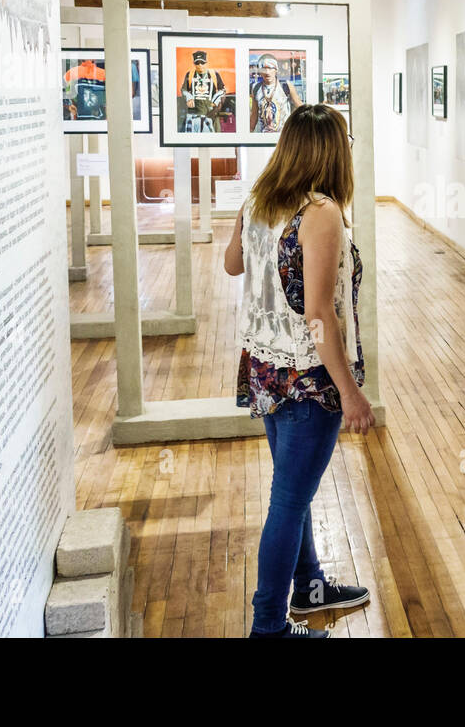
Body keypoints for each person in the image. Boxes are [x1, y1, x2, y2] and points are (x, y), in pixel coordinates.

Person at [223, 104, 375, 638]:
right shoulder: (321, 213)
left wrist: (253, 228)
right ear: (332, 150)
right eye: (347, 139)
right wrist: (351, 394)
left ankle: (309, 588)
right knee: (288, 500)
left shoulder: (261, 199)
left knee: (295, 490)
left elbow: (231, 264)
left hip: (265, 366)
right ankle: (267, 628)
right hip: (308, 377)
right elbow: (318, 316)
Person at [250, 53, 304, 132]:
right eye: (264, 68)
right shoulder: (256, 88)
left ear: (276, 70)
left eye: (270, 68)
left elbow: (301, 107)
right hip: (263, 138)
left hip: (283, 137)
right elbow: (254, 115)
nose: (267, 72)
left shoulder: (285, 85)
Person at [180, 50, 227, 133]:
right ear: (194, 64)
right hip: (194, 115)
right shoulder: (189, 75)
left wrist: (216, 101)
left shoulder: (214, 74)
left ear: (206, 63)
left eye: (202, 63)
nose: (200, 65)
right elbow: (183, 89)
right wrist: (188, 97)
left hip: (211, 114)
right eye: (197, 63)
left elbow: (222, 90)